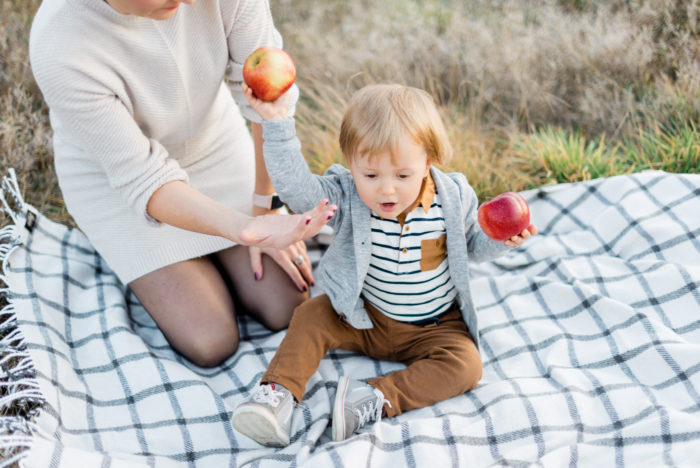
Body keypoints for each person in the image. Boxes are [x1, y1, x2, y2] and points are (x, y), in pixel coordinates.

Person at [28, 0, 336, 368]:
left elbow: (268, 99)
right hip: (117, 181)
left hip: (212, 143)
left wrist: (263, 205)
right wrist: (246, 229)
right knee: (210, 340)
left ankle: (216, 258)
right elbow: (144, 178)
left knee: (285, 303)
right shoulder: (60, 43)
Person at [231, 83, 538, 446]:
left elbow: (473, 246)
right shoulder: (347, 195)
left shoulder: (453, 198)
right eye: (371, 175)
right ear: (351, 164)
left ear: (428, 162)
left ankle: (371, 397)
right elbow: (298, 192)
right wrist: (277, 125)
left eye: (402, 176)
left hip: (434, 327)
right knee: (311, 316)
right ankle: (276, 394)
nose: (386, 190)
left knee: (467, 365)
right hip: (364, 317)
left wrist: (500, 238)